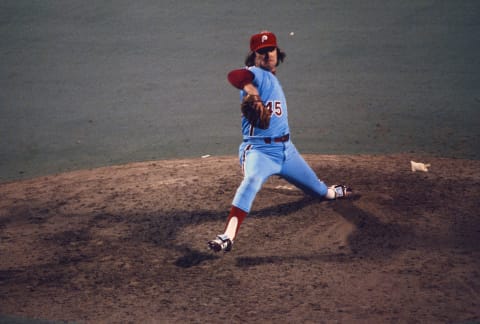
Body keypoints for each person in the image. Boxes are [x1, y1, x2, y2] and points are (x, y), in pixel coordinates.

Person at [208, 31, 352, 252]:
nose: (267, 55)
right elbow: (234, 76)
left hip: (287, 151)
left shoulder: (272, 78)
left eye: (270, 50)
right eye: (262, 52)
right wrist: (250, 91)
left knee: (320, 192)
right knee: (252, 180)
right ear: (254, 56)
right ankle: (227, 236)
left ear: (277, 52)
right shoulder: (253, 73)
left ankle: (331, 192)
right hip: (259, 151)